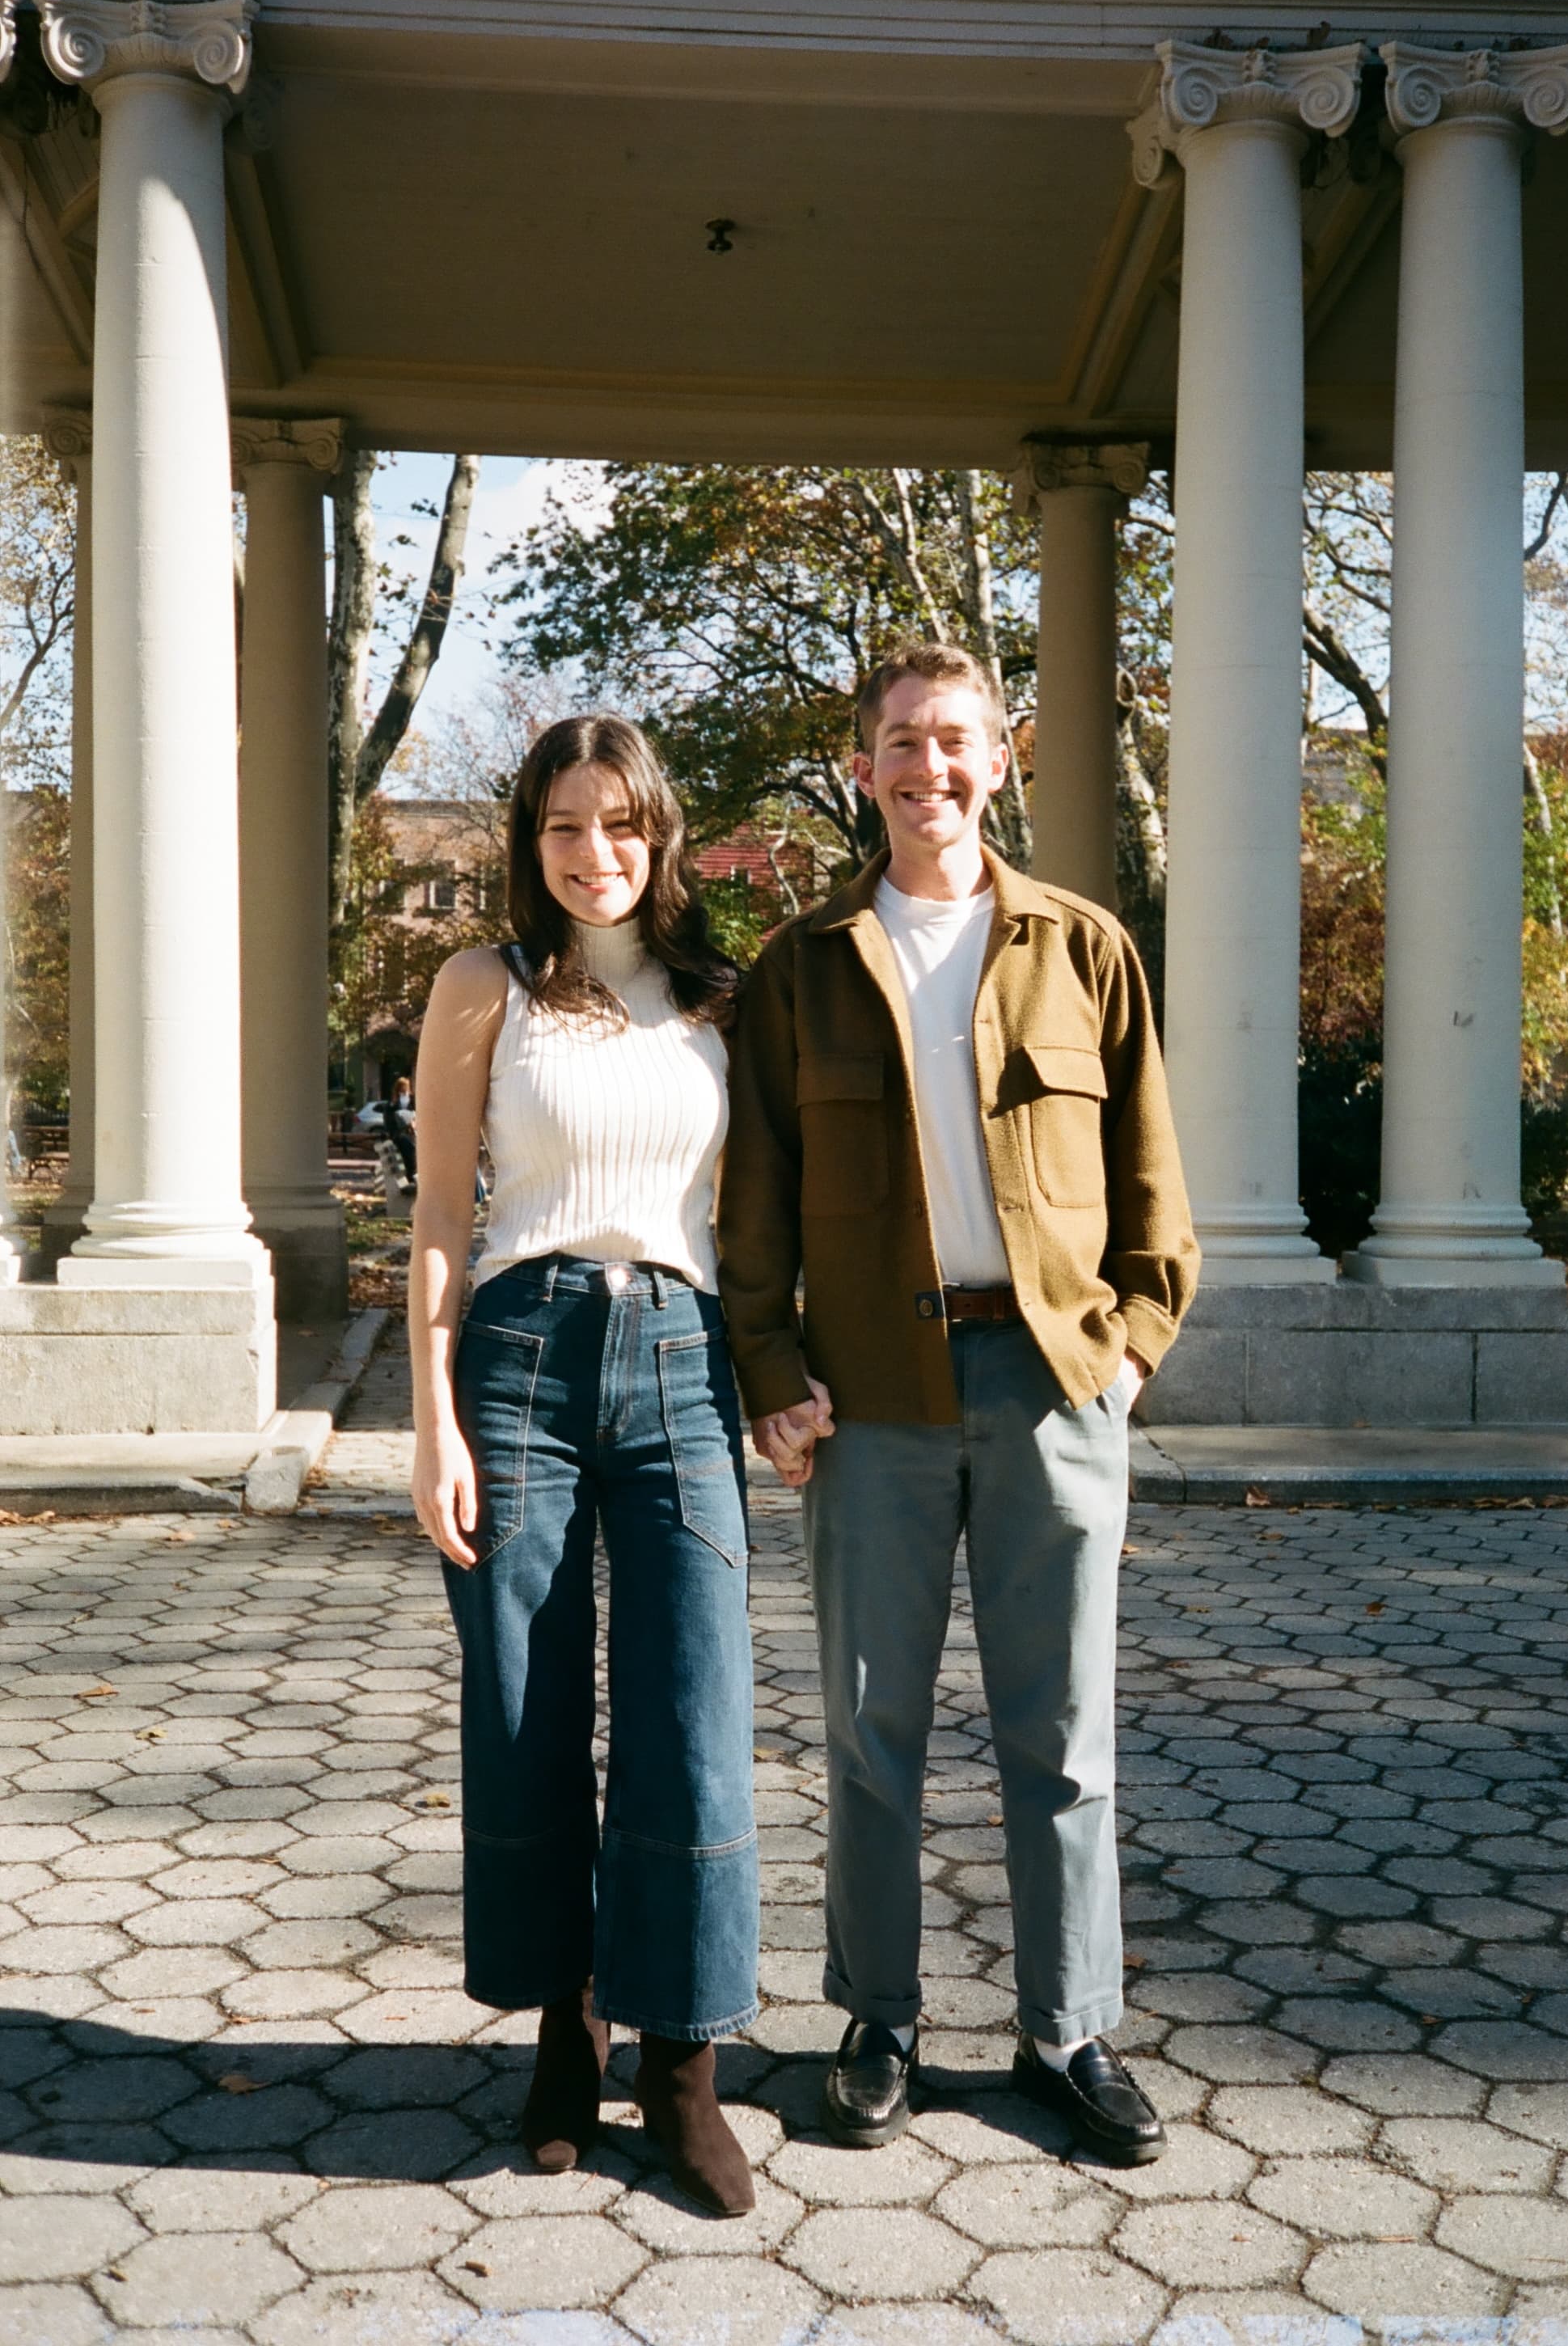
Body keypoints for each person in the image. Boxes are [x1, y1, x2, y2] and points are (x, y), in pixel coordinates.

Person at [718, 640, 1198, 2163]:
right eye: (904, 743)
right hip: (872, 1398)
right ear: (864, 768)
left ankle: (1068, 2033)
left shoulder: (1083, 947)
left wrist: (1125, 1349)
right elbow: (759, 1202)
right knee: (870, 1728)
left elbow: (1151, 1183)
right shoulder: (799, 967)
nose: (931, 768)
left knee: (1062, 1734)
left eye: (957, 743)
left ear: (1003, 761)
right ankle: (879, 2023)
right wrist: (773, 1374)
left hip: (1052, 1383)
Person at [409, 715, 759, 2216]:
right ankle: (566, 2029)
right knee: (523, 1702)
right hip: (520, 1362)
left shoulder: (719, 1003)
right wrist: (428, 1418)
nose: (594, 852)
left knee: (693, 1709)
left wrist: (788, 1387)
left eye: (621, 823)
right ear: (529, 841)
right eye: (564, 825)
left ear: (661, 834)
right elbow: (435, 1216)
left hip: (683, 1355)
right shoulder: (483, 989)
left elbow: (749, 1226)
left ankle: (682, 2063)